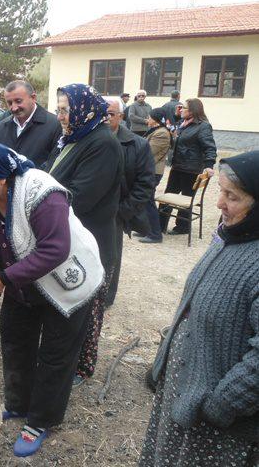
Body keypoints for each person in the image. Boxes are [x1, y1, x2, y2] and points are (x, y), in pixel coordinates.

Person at [0, 140, 103, 456]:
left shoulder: (42, 192)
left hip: (67, 279)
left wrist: (3, 279)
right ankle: (18, 404)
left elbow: (55, 249)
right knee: (15, 339)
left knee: (56, 354)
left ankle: (41, 420)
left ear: (0, 176)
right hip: (21, 279)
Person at [139, 151, 259, 467]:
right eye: (220, 191)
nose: (218, 203)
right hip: (184, 393)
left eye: (231, 196)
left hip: (216, 421)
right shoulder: (229, 235)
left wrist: (222, 405)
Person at [45, 84, 123, 385]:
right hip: (71, 235)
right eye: (59, 110)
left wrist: (41, 199)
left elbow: (83, 196)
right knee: (69, 298)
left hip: (92, 239)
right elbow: (52, 172)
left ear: (83, 109)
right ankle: (65, 357)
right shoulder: (74, 137)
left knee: (87, 305)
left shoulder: (102, 143)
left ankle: (81, 366)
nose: (61, 116)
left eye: (65, 110)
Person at [104, 98, 156, 307]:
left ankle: (106, 297)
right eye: (102, 113)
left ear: (121, 116)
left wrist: (122, 212)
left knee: (111, 255)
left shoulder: (138, 144)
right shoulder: (87, 140)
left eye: (110, 113)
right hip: (89, 210)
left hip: (115, 212)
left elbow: (145, 185)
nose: (105, 118)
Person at [159, 98, 217, 235]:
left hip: (190, 168)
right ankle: (159, 226)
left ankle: (182, 227)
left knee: (186, 197)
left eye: (183, 107)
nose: (180, 109)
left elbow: (210, 147)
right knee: (168, 194)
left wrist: (209, 165)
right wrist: (176, 114)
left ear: (193, 111)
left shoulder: (203, 126)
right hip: (178, 166)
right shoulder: (183, 123)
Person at [0, 80, 61, 168]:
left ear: (33, 98)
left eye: (18, 101)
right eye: (9, 103)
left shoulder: (55, 125)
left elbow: (55, 163)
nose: (14, 108)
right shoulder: (2, 126)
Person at [139, 108, 172, 244]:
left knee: (148, 202)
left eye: (150, 117)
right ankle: (147, 229)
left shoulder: (162, 134)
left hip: (153, 171)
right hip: (150, 170)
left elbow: (148, 152)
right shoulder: (156, 131)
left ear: (156, 119)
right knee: (145, 201)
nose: (148, 119)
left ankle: (155, 234)